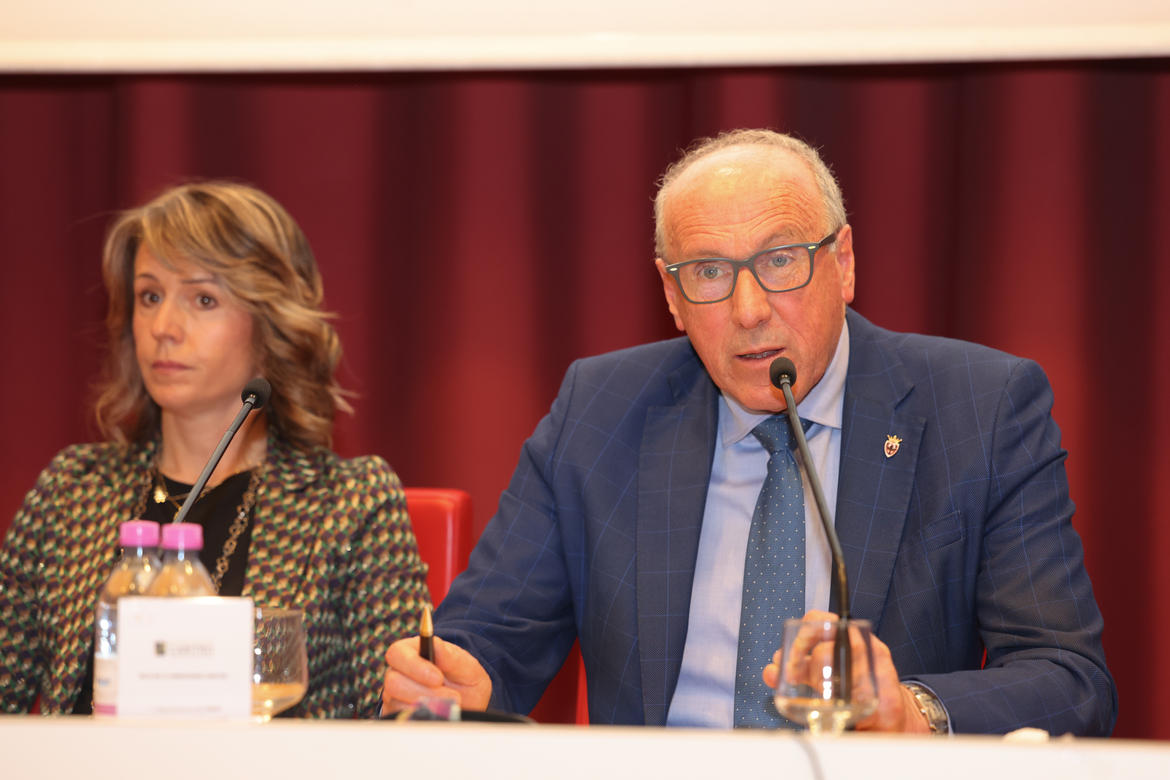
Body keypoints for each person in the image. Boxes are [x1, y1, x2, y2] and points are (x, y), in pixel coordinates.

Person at [381, 129, 1116, 735]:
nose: (749, 310)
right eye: (708, 272)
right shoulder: (601, 411)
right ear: (671, 295)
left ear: (843, 263)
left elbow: (1069, 678)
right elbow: (487, 642)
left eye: (780, 261)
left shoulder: (980, 407)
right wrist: (455, 682)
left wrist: (913, 713)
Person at [0, 181, 429, 717]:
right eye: (149, 296)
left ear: (270, 324)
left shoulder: (349, 502)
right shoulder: (73, 489)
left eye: (203, 300)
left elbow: (403, 721)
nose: (163, 328)